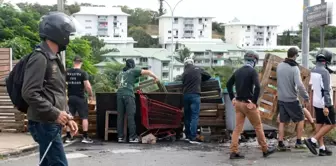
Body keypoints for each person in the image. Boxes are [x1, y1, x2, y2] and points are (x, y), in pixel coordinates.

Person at [22, 12, 78, 166]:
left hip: (50, 121)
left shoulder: (55, 58)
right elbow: (29, 92)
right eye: (68, 34)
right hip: (43, 123)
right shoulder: (40, 58)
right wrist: (55, 113)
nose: (69, 38)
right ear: (59, 33)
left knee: (47, 163)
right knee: (59, 164)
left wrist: (67, 117)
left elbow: (57, 92)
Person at [227, 51, 276, 159]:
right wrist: (254, 102)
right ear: (254, 61)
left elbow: (228, 84)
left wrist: (232, 98)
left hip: (238, 104)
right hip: (248, 104)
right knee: (258, 126)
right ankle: (265, 149)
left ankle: (233, 151)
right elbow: (258, 87)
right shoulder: (252, 71)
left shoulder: (238, 71)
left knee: (237, 128)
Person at [116, 59, 158, 143]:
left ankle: (120, 137)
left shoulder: (120, 73)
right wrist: (155, 77)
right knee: (130, 116)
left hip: (119, 95)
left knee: (120, 116)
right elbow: (148, 72)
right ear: (132, 65)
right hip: (128, 95)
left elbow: (118, 83)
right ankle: (132, 137)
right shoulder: (133, 70)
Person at [276, 47, 310, 150]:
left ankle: (280, 144)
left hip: (281, 98)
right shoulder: (294, 68)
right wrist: (306, 96)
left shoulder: (280, 65)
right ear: (295, 56)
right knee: (300, 119)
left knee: (282, 121)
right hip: (291, 99)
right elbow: (299, 85)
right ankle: (298, 142)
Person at [304, 49, 335, 156]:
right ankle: (312, 140)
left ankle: (322, 148)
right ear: (326, 60)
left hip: (316, 101)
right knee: (332, 123)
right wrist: (326, 105)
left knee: (319, 123)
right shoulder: (324, 72)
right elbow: (326, 89)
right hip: (324, 102)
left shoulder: (313, 69)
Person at [182, 57, 211, 144]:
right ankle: (193, 136)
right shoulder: (198, 69)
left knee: (187, 116)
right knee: (194, 116)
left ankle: (187, 135)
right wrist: (200, 79)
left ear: (185, 64)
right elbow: (208, 75)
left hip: (186, 95)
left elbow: (182, 82)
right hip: (195, 95)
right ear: (192, 62)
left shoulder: (184, 72)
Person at [65, 56, 94, 144]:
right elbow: (88, 86)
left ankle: (68, 137)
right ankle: (85, 136)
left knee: (69, 116)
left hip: (70, 97)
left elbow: (62, 84)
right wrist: (90, 95)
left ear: (74, 62)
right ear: (81, 63)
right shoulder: (83, 73)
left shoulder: (67, 72)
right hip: (80, 97)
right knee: (84, 117)